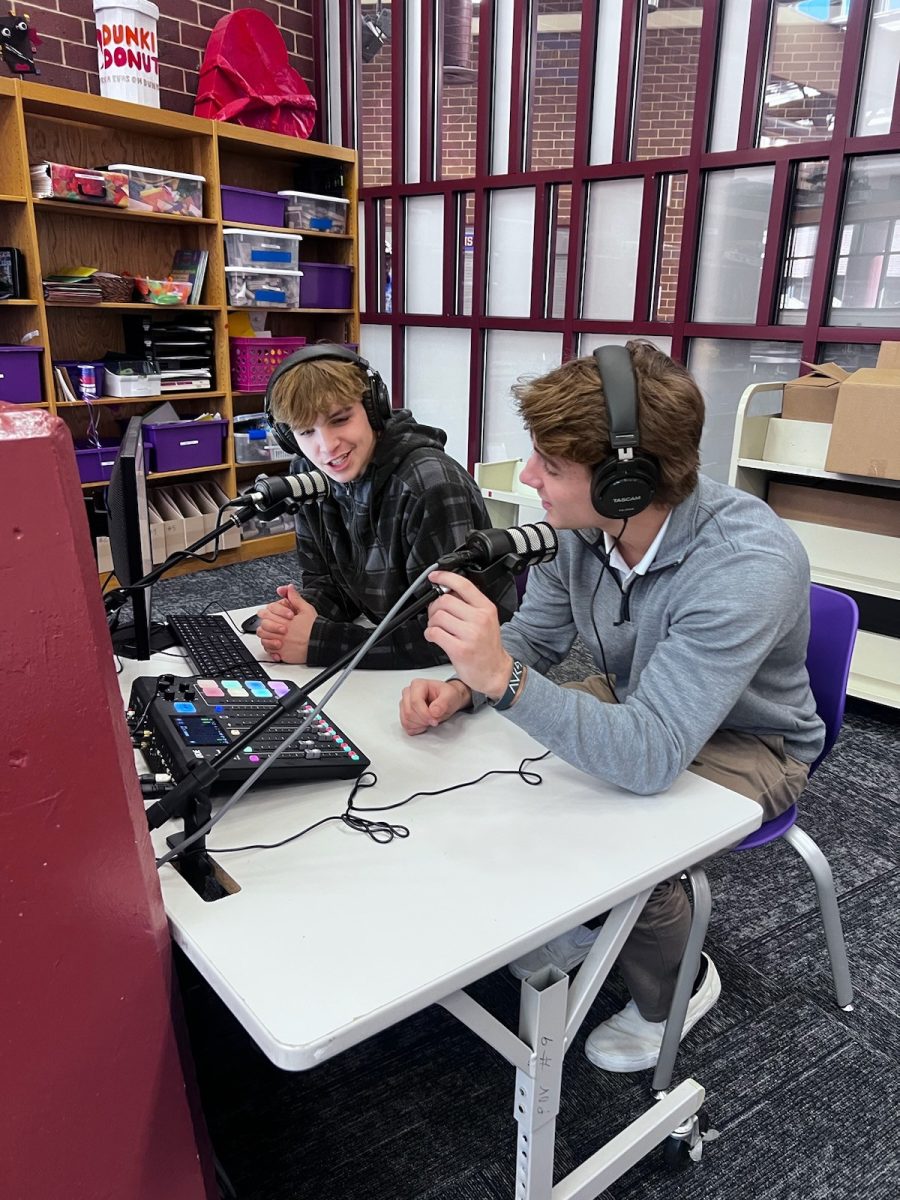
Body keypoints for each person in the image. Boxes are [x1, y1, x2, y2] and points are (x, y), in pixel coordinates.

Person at [398, 341, 824, 1073]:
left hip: (752, 742)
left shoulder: (748, 563)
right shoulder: (589, 529)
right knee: (510, 768)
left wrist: (503, 680)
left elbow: (652, 755)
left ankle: (679, 989)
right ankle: (591, 917)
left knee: (634, 846)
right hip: (642, 701)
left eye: (552, 469)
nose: (530, 480)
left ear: (629, 484)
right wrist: (466, 685)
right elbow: (539, 634)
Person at [254, 344, 517, 669]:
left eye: (340, 419)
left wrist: (320, 643)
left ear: (374, 408)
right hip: (389, 646)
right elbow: (330, 585)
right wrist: (299, 615)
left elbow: (454, 632)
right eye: (306, 432)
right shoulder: (310, 475)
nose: (326, 446)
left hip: (463, 669)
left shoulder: (430, 485)